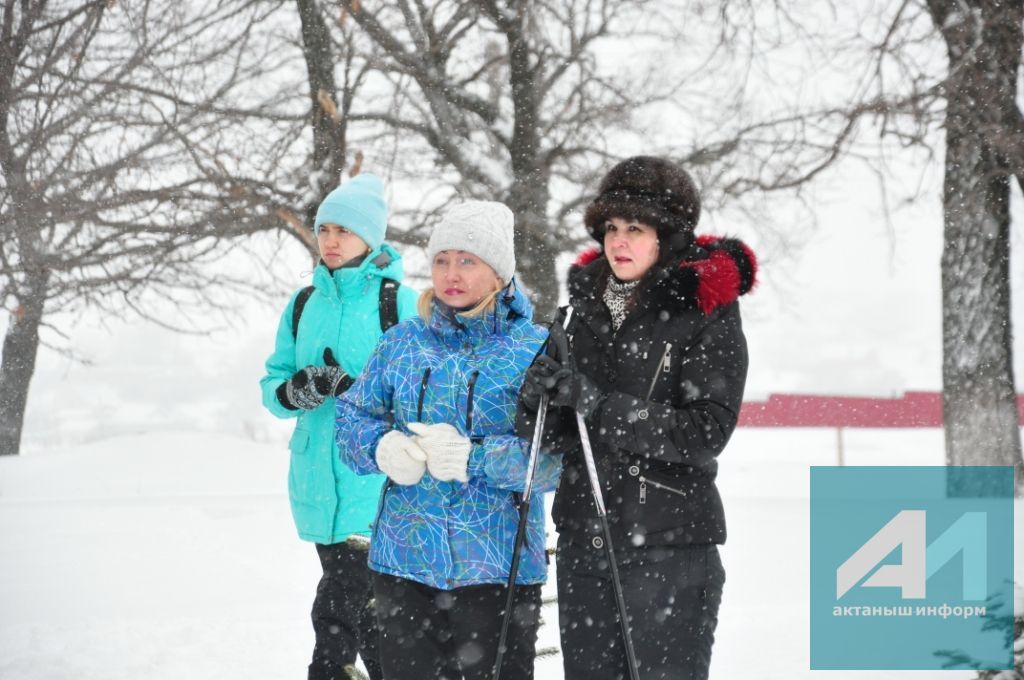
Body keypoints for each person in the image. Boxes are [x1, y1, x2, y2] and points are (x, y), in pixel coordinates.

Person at [517, 156, 756, 680]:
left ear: (666, 236)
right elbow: (555, 435)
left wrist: (597, 405)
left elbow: (705, 432)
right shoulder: (580, 312)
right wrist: (538, 400)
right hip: (586, 546)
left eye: (635, 229)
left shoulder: (705, 312)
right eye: (611, 228)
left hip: (670, 549)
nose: (619, 241)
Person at [334, 200, 560, 680]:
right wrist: (381, 447)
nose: (450, 273)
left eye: (467, 260)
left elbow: (556, 461)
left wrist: (473, 459)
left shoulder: (537, 348)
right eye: (441, 260)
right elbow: (350, 418)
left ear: (498, 271)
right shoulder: (403, 341)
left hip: (498, 569)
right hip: (403, 565)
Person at [260, 173, 419, 680]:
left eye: (343, 231)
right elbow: (273, 384)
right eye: (324, 228)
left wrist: (357, 389)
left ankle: (326, 672)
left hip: (375, 478)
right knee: (366, 611)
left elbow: (423, 392)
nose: (330, 240)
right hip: (315, 479)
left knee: (340, 606)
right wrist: (298, 390)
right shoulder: (304, 303)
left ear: (370, 238)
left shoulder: (400, 302)